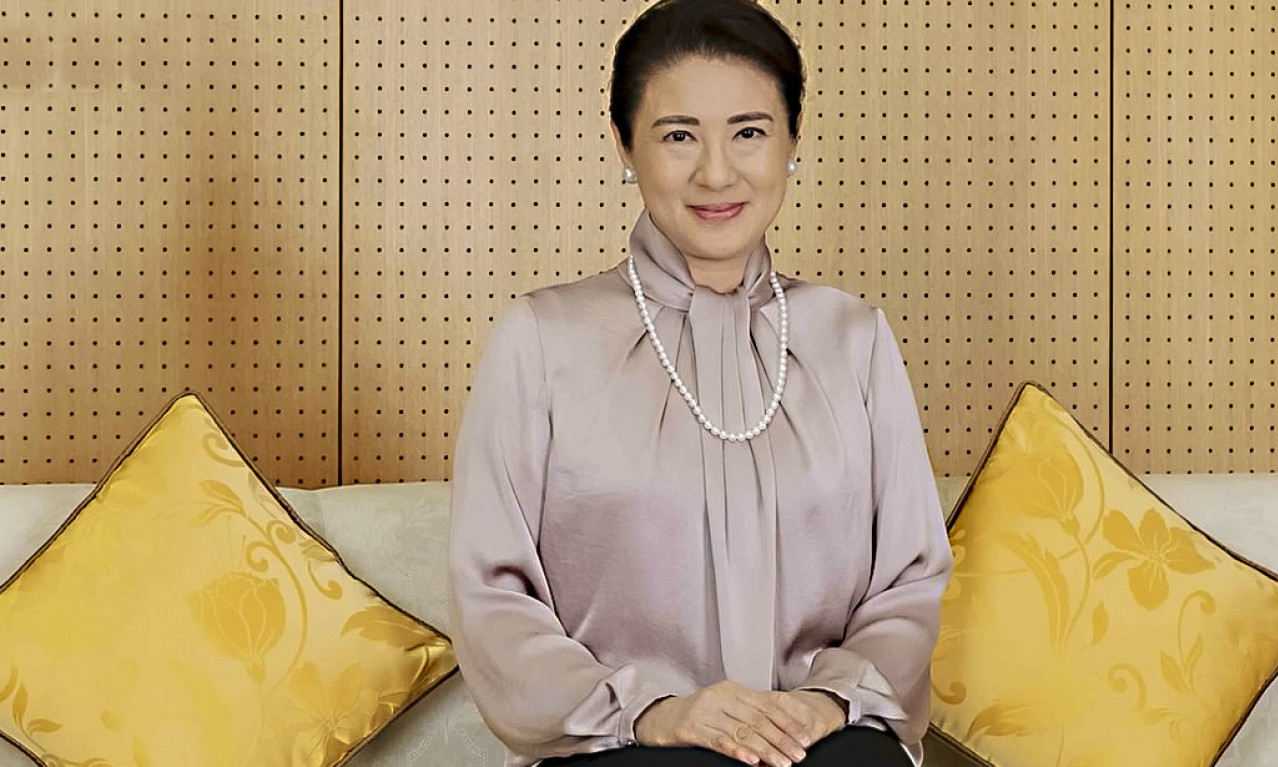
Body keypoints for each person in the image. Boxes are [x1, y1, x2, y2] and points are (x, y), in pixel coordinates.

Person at [448, 1, 953, 765]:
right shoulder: (541, 338)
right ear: (624, 144)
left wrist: (825, 701)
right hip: (620, 745)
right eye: (678, 135)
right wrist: (653, 710)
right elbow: (493, 598)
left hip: (822, 742)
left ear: (792, 141)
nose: (717, 173)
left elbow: (908, 582)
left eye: (749, 132)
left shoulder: (854, 338)